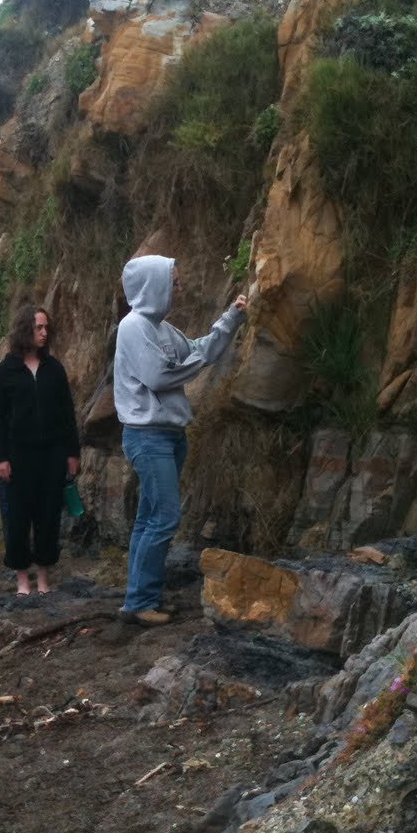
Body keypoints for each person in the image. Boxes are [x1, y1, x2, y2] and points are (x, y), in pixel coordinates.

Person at [114, 255, 248, 626]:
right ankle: (140, 603)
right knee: (164, 518)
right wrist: (195, 364)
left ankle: (140, 599)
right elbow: (159, 377)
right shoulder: (134, 326)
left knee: (149, 518)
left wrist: (232, 318)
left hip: (168, 435)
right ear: (153, 285)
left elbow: (199, 349)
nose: (179, 287)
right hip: (148, 436)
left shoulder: (161, 328)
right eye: (173, 281)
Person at [0, 306, 81, 595]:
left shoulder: (54, 369)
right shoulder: (6, 371)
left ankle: (43, 576)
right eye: (38, 327)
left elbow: (67, 413)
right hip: (17, 456)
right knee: (17, 518)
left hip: (52, 454)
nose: (44, 333)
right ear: (25, 329)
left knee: (48, 515)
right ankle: (21, 578)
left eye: (46, 327)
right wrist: (0, 457)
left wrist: (72, 452)